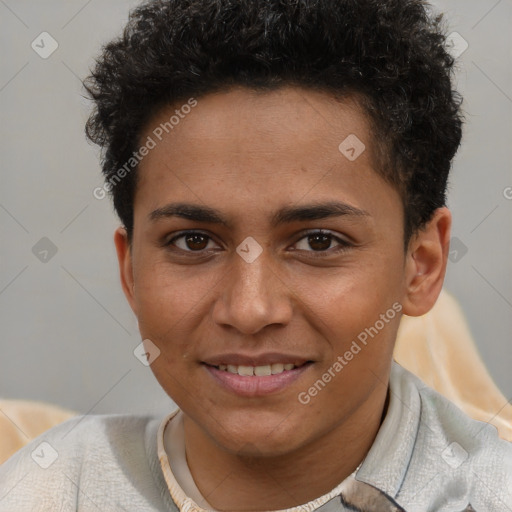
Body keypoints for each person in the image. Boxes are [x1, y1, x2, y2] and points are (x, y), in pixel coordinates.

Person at [1, 0, 511, 510]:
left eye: (319, 241)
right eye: (193, 241)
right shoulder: (50, 490)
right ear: (130, 270)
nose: (249, 310)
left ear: (421, 265)